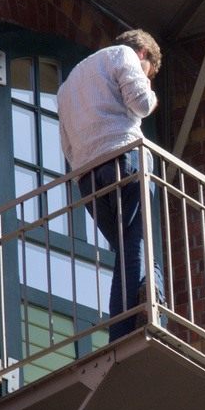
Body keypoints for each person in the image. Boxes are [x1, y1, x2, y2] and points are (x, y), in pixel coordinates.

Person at [58, 30, 165, 338]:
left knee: (131, 247)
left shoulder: (66, 88)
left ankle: (149, 299)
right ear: (143, 53)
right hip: (125, 156)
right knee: (136, 244)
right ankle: (131, 328)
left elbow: (66, 146)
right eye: (149, 73)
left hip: (88, 178)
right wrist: (149, 89)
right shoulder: (124, 55)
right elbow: (142, 104)